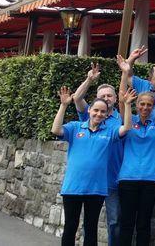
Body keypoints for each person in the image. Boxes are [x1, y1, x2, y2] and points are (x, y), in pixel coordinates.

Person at [52, 86, 134, 246]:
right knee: (70, 226)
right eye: (96, 110)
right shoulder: (76, 127)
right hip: (73, 187)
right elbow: (56, 129)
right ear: (89, 110)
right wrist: (63, 105)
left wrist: (128, 105)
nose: (99, 114)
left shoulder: (109, 131)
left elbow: (126, 128)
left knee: (91, 228)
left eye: (103, 112)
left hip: (96, 188)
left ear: (106, 115)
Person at [117, 60, 155, 246]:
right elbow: (121, 99)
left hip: (150, 179)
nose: (145, 108)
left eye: (149, 105)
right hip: (128, 179)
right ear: (136, 104)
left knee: (143, 224)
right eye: (142, 104)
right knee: (126, 223)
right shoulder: (128, 121)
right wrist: (125, 73)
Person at [73, 66, 124, 246]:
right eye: (102, 96)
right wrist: (89, 80)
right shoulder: (92, 115)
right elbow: (77, 98)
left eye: (109, 95)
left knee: (115, 221)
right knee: (89, 223)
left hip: (113, 179)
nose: (106, 99)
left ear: (116, 98)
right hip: (91, 180)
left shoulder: (123, 119)